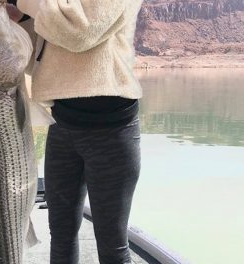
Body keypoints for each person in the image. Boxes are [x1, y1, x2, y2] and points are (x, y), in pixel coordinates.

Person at [7, 1, 143, 263]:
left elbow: (81, 32)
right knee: (61, 235)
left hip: (111, 131)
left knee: (112, 246)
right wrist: (22, 17)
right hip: (62, 125)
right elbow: (37, 59)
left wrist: (25, 3)